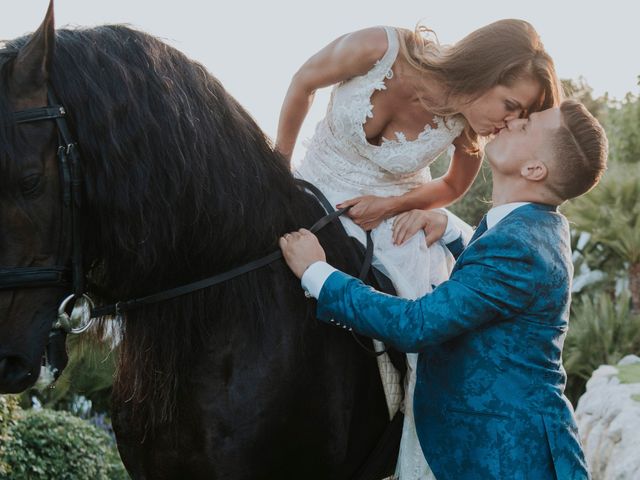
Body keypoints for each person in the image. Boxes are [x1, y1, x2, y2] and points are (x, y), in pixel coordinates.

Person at [276, 18, 561, 479]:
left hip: (389, 222)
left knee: (424, 350)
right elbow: (304, 82)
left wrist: (392, 204)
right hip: (306, 187)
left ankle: (400, 450)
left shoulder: (467, 130)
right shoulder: (380, 48)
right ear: (486, 70)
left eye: (518, 116)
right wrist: (278, 174)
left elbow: (450, 186)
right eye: (510, 105)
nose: (507, 123)